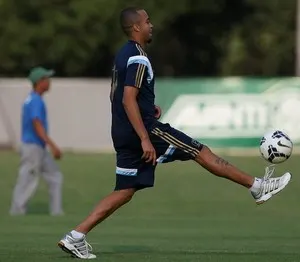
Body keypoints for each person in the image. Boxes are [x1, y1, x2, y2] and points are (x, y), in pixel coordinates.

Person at [58, 7, 291, 259]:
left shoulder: (122, 54)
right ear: (136, 27)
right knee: (200, 151)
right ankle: (257, 186)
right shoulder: (138, 57)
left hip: (122, 131)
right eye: (147, 21)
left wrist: (147, 108)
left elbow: (116, 96)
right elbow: (127, 99)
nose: (152, 25)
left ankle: (76, 236)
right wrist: (145, 137)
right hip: (144, 131)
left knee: (125, 190)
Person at [10, 67, 64, 216]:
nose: (49, 82)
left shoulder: (33, 99)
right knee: (28, 179)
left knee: (55, 176)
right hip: (32, 147)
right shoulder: (35, 101)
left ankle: (56, 212)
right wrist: (53, 146)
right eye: (47, 79)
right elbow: (37, 124)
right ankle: (17, 212)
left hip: (37, 147)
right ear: (40, 82)